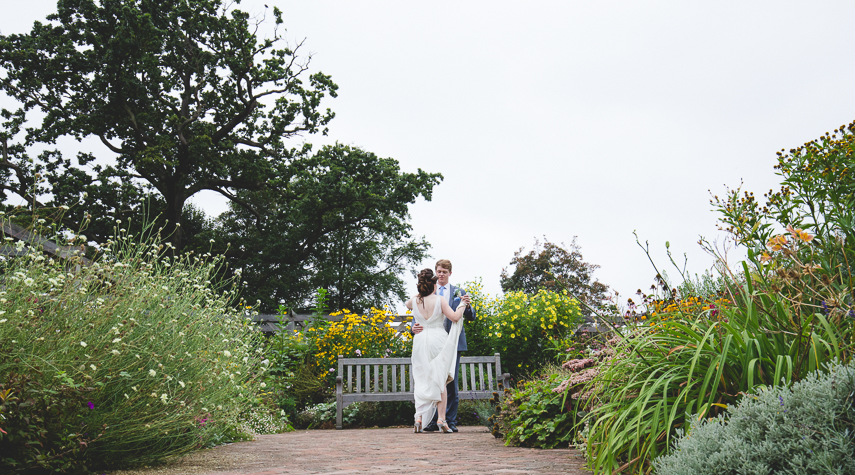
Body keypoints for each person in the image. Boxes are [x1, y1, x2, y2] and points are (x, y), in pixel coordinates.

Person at [412, 259, 476, 432]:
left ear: (450, 273)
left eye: (444, 272)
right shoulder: (425, 293)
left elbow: (471, 316)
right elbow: (417, 317)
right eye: (439, 271)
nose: (441, 274)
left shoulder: (458, 291)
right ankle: (432, 421)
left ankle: (450, 421)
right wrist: (413, 327)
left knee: (450, 383)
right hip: (433, 341)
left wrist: (466, 305)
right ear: (435, 272)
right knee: (431, 379)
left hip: (453, 343)